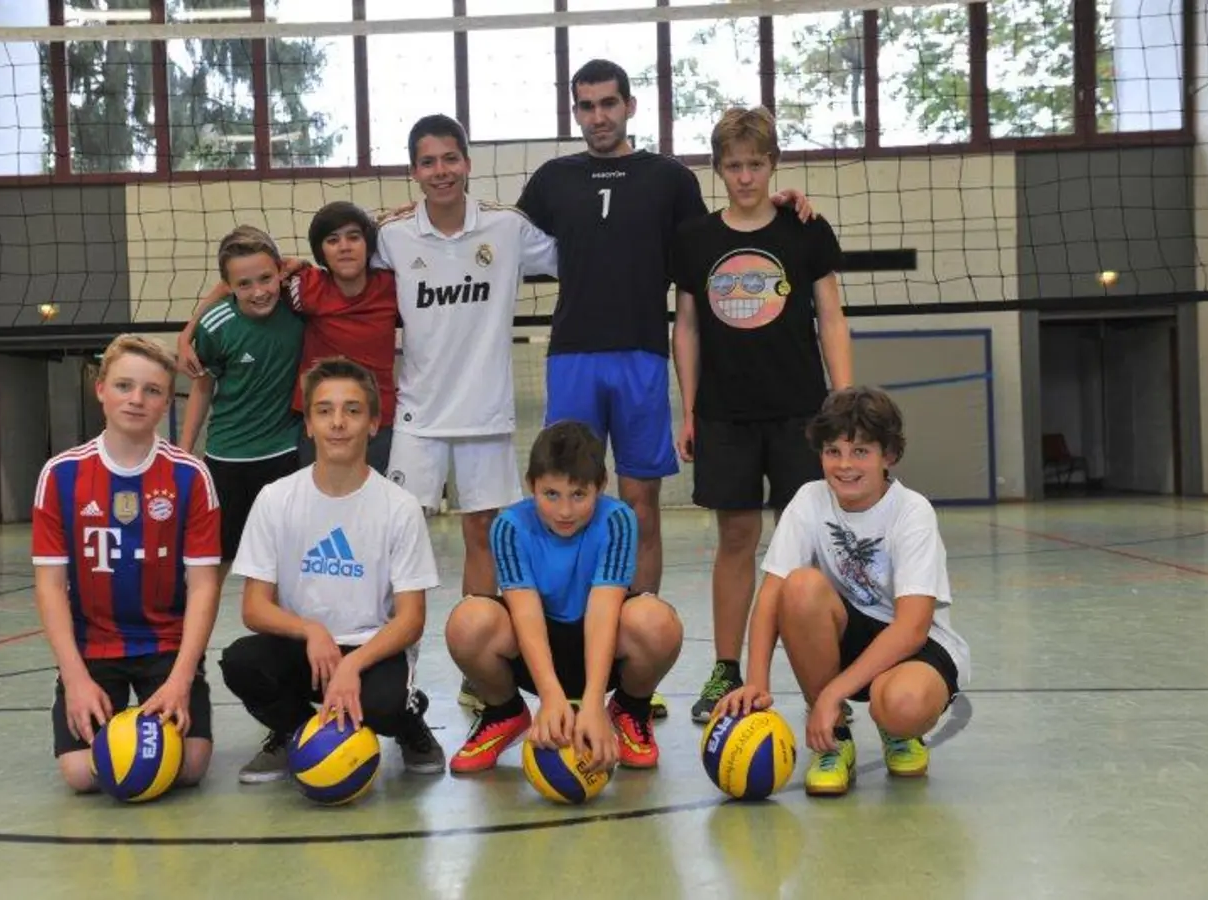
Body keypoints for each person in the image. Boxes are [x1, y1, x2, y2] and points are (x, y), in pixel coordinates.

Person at [509, 60, 813, 720]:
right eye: (586, 105)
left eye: (608, 103)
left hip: (644, 355)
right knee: (565, 503)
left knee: (640, 504)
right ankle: (571, 648)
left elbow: (725, 237)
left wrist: (786, 205)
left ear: (630, 105)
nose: (598, 116)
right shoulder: (552, 181)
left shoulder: (669, 179)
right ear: (574, 111)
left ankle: (631, 668)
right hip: (572, 359)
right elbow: (491, 238)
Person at [670, 106, 854, 723]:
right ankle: (726, 668)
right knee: (736, 539)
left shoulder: (804, 228)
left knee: (806, 549)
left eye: (755, 164)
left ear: (773, 164)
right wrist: (690, 408)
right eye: (733, 166)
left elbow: (831, 316)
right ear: (718, 168)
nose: (745, 177)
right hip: (725, 414)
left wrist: (844, 403)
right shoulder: (696, 239)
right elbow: (688, 326)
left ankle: (819, 677)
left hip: (801, 412)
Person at [712, 386, 971, 796]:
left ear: (888, 456)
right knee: (799, 587)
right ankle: (833, 741)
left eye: (861, 452)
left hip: (915, 645)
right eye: (833, 452)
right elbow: (770, 597)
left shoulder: (912, 511)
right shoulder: (809, 500)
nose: (845, 465)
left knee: (902, 705)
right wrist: (757, 682)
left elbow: (912, 628)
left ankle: (898, 733)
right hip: (851, 631)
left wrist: (834, 691)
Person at [218, 357, 447, 782]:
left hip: (371, 648)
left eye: (352, 410)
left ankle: (411, 720)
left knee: (383, 707)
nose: (338, 422)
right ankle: (295, 733)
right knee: (241, 663)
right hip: (304, 648)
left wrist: (353, 663)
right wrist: (311, 630)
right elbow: (253, 607)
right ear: (308, 425)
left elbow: (412, 619)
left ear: (374, 424)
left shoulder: (399, 507)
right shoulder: (276, 498)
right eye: (324, 411)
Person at [375, 114, 559, 628]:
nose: (441, 171)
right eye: (428, 162)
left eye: (450, 158)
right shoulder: (391, 236)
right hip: (418, 414)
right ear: (414, 171)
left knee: (484, 533)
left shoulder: (507, 228)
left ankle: (475, 666)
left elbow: (580, 257)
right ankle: (395, 658)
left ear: (467, 163)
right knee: (400, 535)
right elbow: (335, 258)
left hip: (485, 412)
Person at [30, 334, 222, 793]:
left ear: (165, 403)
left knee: (190, 767)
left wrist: (181, 678)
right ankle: (103, 705)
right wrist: (74, 678)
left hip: (165, 645)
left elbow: (204, 586)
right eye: (124, 386)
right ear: (100, 389)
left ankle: (172, 699)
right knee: (82, 776)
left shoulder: (189, 476)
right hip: (94, 647)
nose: (136, 400)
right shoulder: (61, 474)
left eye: (152, 390)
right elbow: (50, 586)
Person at [443, 420, 683, 775]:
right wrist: (550, 696)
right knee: (468, 620)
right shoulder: (509, 527)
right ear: (531, 486)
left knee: (657, 620)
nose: (565, 511)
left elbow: (604, 610)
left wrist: (594, 705)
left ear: (600, 486)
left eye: (578, 495)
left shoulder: (618, 520)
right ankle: (504, 711)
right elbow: (525, 614)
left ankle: (630, 707)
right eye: (551, 494)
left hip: (599, 645)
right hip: (536, 645)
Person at [179, 203, 400, 474]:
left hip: (379, 422)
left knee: (376, 511)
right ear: (321, 251)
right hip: (317, 426)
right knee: (315, 512)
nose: (344, 246)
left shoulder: (393, 287)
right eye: (332, 240)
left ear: (368, 243)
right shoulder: (304, 287)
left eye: (354, 237)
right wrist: (188, 332)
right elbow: (236, 281)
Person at [177, 225, 306, 566]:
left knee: (285, 564)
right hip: (226, 459)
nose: (258, 291)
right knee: (214, 563)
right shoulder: (215, 326)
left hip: (285, 455)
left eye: (265, 278)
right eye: (244, 284)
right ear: (228, 287)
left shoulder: (300, 308)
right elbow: (203, 385)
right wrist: (184, 454)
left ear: (280, 272)